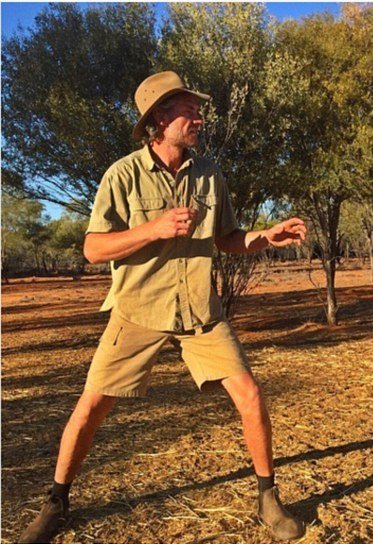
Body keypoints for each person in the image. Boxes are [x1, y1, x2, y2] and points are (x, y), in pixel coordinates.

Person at [19, 71, 307, 543]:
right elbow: (93, 248)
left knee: (251, 396)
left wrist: (264, 237)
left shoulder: (210, 174)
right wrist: (153, 229)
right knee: (91, 406)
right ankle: (55, 503)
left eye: (197, 109)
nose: (198, 117)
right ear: (160, 118)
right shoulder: (123, 174)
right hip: (137, 309)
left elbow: (228, 238)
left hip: (199, 311)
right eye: (189, 110)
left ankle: (267, 498)